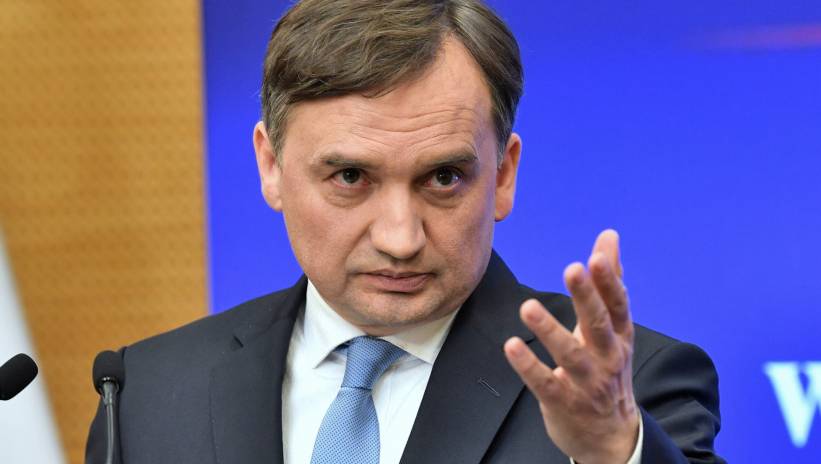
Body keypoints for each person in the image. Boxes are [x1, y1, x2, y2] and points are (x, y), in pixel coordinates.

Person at [86, 1, 724, 463]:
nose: (400, 238)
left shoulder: (630, 394)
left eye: (443, 177)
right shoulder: (147, 392)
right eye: (350, 177)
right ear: (271, 167)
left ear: (503, 175)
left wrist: (613, 451)